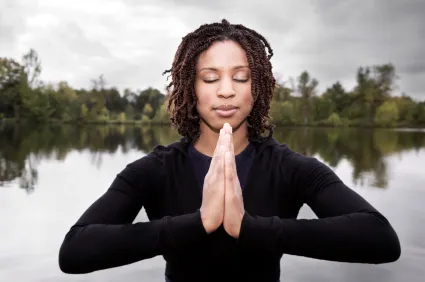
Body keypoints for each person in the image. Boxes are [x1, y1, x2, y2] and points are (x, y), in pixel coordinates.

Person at [58, 19, 401, 281]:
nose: (226, 91)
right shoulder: (153, 170)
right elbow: (74, 252)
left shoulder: (290, 168)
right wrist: (198, 223)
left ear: (259, 88)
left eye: (240, 77)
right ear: (191, 87)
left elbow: (381, 239)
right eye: (210, 78)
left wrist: (248, 228)